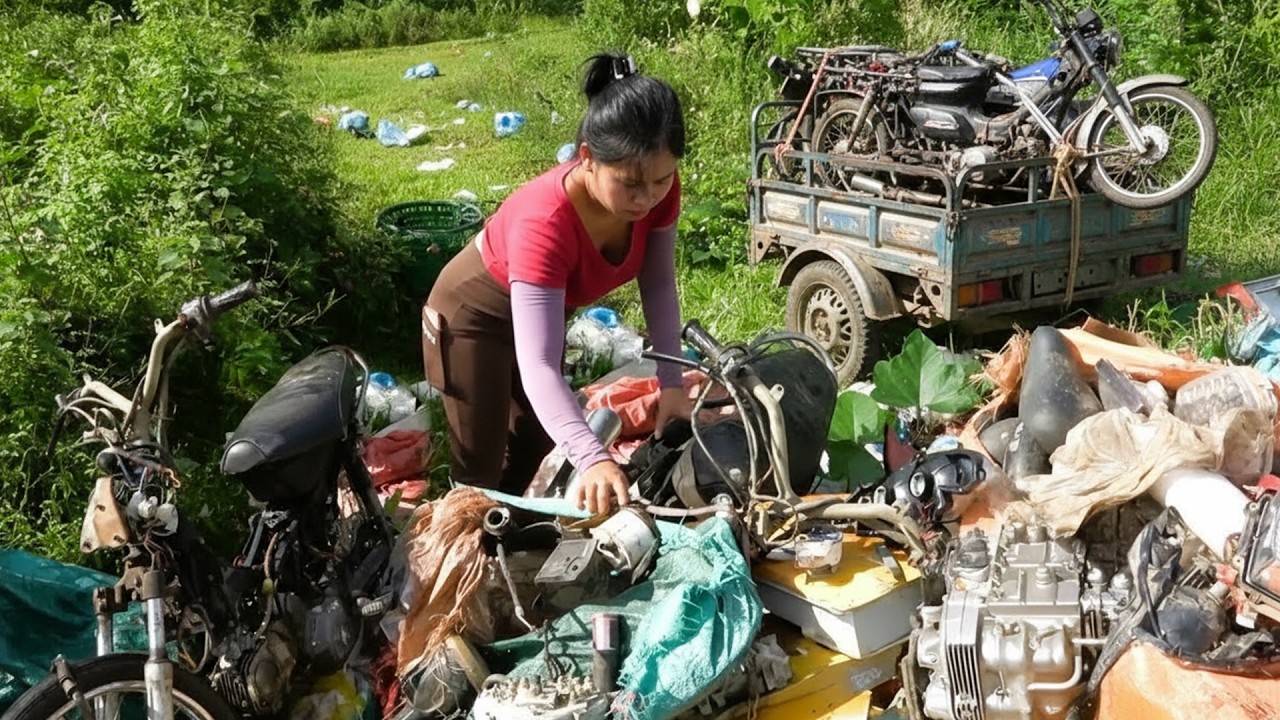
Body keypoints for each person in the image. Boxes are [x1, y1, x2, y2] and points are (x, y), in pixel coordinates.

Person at [421, 52, 690, 514]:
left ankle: (513, 534)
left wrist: (672, 383)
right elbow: (539, 366)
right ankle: (459, 558)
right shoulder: (544, 222)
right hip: (473, 317)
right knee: (479, 473)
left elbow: (660, 285)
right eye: (630, 184)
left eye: (661, 180)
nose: (647, 198)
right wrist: (593, 458)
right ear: (587, 158)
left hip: (542, 311)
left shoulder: (657, 189)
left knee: (538, 442)